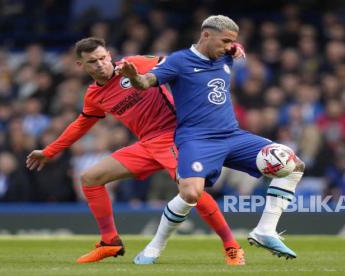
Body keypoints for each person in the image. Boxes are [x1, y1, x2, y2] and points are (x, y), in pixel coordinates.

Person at [26, 37, 246, 265]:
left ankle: (232, 246)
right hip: (147, 144)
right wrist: (50, 151)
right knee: (90, 178)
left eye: (102, 58)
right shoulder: (94, 95)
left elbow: (182, 62)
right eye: (92, 61)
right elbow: (81, 124)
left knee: (192, 192)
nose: (100, 64)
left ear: (109, 55)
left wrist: (227, 50)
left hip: (176, 136)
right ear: (81, 65)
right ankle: (110, 242)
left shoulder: (135, 64)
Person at [119, 15, 305, 264]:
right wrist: (133, 77)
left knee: (294, 166)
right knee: (191, 193)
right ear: (206, 35)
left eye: (233, 42)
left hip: (233, 136)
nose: (230, 46)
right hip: (197, 139)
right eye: (226, 40)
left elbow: (235, 48)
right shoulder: (179, 61)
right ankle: (154, 247)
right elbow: (145, 82)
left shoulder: (226, 55)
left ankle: (265, 230)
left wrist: (235, 47)